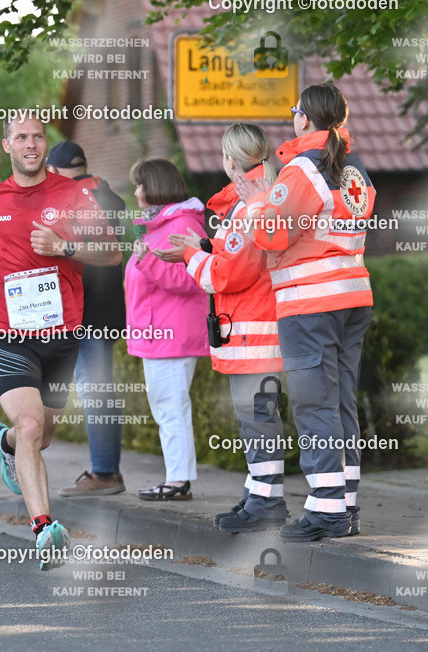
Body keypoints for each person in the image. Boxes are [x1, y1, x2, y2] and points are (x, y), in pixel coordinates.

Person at [0, 113, 121, 569]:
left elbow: (111, 250)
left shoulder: (74, 194)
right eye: (21, 137)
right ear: (6, 145)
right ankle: (45, 527)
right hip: (11, 334)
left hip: (62, 337)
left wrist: (64, 248)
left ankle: (5, 445)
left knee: (40, 436)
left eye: (37, 136)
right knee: (31, 427)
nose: (31, 143)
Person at [241, 83, 376, 541]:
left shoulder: (303, 168)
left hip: (309, 302)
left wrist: (259, 201)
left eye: (294, 111)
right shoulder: (353, 166)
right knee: (340, 402)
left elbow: (273, 236)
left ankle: (326, 512)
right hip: (352, 297)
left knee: (315, 405)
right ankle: (346, 506)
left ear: (304, 119)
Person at [154, 124, 288, 531]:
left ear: (230, 160)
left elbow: (225, 277)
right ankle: (257, 494)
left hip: (253, 333)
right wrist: (206, 248)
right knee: (256, 419)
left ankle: (266, 503)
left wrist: (191, 254)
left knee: (258, 420)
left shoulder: (249, 206)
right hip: (255, 330)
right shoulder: (257, 198)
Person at [45, 140, 128, 497]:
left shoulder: (69, 202)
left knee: (95, 392)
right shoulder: (113, 199)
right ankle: (107, 469)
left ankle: (105, 472)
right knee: (103, 390)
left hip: (82, 310)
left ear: (54, 170)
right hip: (109, 308)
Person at [126, 159, 207, 502]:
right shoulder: (160, 225)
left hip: (172, 334)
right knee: (166, 406)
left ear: (155, 186)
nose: (135, 192)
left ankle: (178, 482)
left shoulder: (184, 223)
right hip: (156, 333)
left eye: (139, 185)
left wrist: (145, 259)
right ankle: (176, 478)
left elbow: (190, 278)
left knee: (171, 406)